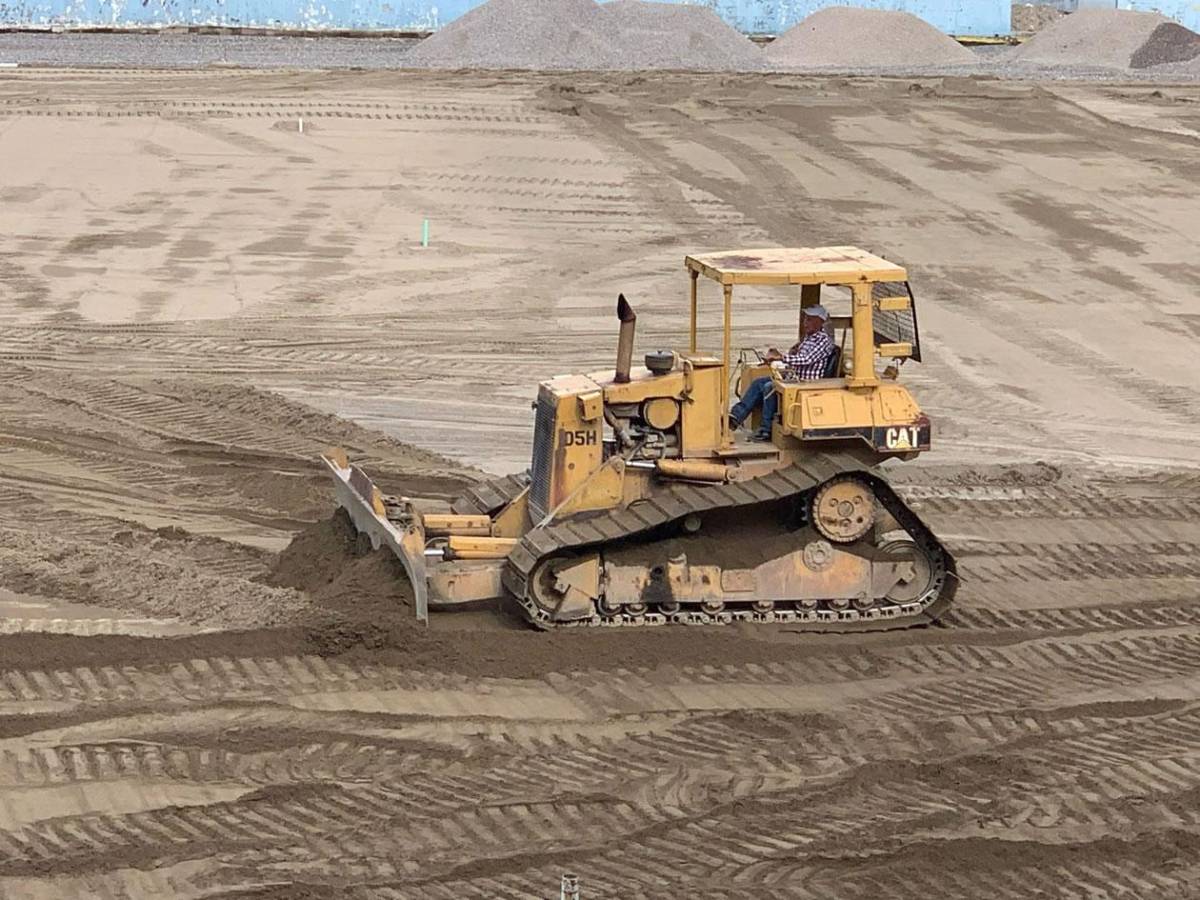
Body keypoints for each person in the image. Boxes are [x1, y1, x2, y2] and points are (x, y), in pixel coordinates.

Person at [730, 305, 836, 441]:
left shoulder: (823, 341)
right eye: (805, 319)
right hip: (795, 377)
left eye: (809, 320)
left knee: (769, 387)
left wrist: (781, 357)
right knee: (759, 383)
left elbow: (807, 359)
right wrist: (781, 357)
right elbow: (796, 358)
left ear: (820, 321)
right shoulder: (808, 339)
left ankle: (766, 430)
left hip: (807, 382)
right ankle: (735, 417)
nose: (805, 323)